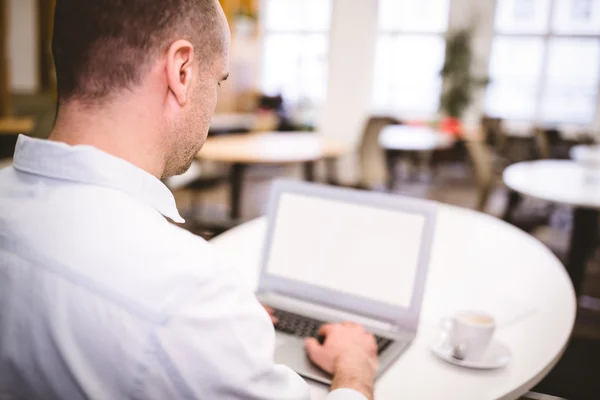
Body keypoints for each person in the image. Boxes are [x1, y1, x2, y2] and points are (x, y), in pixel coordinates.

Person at [0, 1, 378, 399]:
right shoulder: (188, 290)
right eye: (217, 82)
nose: (213, 102)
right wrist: (355, 366)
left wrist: (215, 328)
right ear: (182, 71)